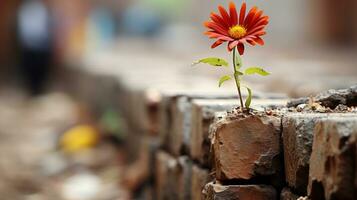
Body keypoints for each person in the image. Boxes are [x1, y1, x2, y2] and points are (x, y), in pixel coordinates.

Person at [17, 0, 54, 95]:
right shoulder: (26, 7)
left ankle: (37, 93)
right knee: (31, 75)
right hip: (30, 47)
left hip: (41, 47)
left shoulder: (42, 8)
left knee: (40, 75)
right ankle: (33, 92)